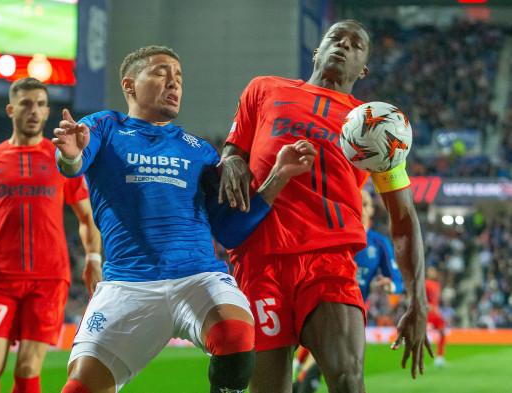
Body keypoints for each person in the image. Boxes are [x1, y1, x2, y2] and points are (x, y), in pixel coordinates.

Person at [52, 45, 317, 393]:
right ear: (129, 85)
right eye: (162, 72)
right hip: (128, 285)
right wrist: (69, 156)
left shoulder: (201, 151)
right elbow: (73, 164)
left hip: (198, 277)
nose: (174, 83)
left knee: (235, 336)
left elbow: (229, 231)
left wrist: (279, 175)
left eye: (179, 77)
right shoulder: (104, 126)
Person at [218, 19, 433, 393]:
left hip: (329, 259)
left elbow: (402, 216)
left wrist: (418, 300)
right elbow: (233, 151)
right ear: (317, 51)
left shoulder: (378, 127)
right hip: (259, 258)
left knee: (348, 379)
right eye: (335, 38)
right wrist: (232, 157)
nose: (343, 46)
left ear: (363, 69)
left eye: (355, 45)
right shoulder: (265, 89)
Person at [0, 77, 103, 393]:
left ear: (48, 114)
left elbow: (87, 218)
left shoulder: (64, 160)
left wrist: (93, 258)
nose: (35, 111)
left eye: (41, 105)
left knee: (28, 367)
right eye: (27, 103)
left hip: (49, 279)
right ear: (10, 109)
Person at [292, 188, 405, 392]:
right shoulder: (332, 234)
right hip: (320, 303)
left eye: (365, 204)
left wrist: (391, 286)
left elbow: (398, 280)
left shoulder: (378, 244)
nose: (360, 207)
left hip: (353, 311)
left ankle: (300, 379)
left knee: (336, 369)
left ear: (371, 210)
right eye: (356, 201)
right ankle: (300, 377)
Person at [426, 266, 447, 367]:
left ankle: (439, 358)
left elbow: (436, 301)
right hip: (426, 313)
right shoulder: (425, 283)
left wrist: (438, 312)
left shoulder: (437, 285)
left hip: (435, 314)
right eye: (430, 271)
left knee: (442, 332)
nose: (432, 273)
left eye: (433, 271)